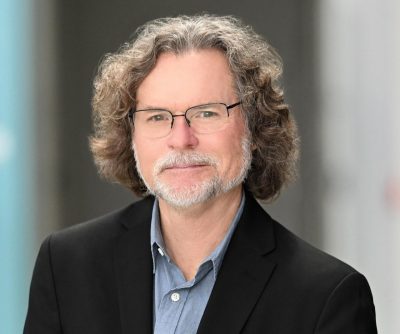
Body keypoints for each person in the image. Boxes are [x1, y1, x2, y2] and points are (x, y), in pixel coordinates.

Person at [24, 14, 377, 334]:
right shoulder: (66, 266)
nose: (181, 139)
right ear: (130, 135)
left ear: (255, 129)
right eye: (158, 116)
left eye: (207, 113)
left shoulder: (327, 297)